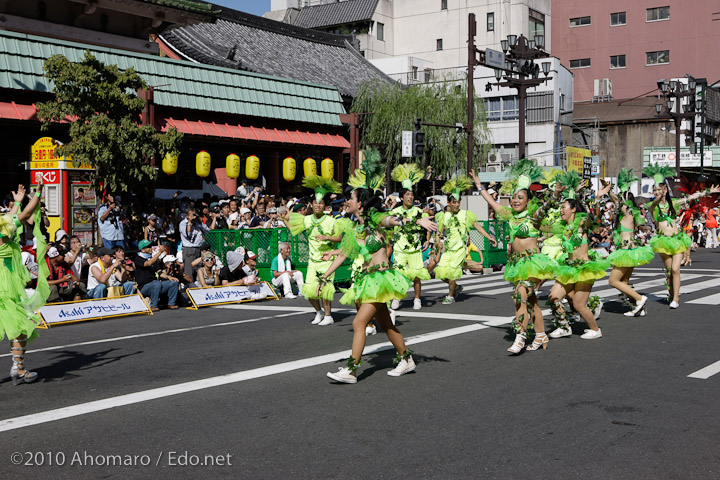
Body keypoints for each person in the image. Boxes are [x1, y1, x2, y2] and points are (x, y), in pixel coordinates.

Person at [320, 150, 438, 383]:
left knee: (358, 323)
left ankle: (351, 370)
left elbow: (392, 219)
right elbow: (343, 254)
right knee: (385, 323)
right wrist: (325, 276)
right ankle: (407, 358)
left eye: (351, 199)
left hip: (381, 279)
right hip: (367, 280)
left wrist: (417, 220)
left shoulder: (375, 220)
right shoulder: (354, 228)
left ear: (361, 204)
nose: (347, 202)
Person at [472, 162, 557, 352]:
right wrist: (479, 186)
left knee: (519, 297)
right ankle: (541, 334)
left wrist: (555, 195)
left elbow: (546, 208)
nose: (515, 201)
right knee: (531, 301)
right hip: (517, 263)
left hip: (533, 263)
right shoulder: (510, 216)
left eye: (520, 198)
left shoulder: (534, 217)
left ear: (528, 201)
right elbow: (492, 202)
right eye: (513, 198)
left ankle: (520, 337)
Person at [644, 164, 719, 308]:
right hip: (662, 241)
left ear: (665, 189)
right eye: (655, 190)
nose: (656, 192)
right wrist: (659, 197)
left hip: (677, 239)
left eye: (659, 189)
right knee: (669, 272)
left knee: (675, 269)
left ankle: (675, 299)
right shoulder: (652, 206)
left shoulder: (674, 204)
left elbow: (691, 197)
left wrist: (708, 191)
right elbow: (654, 204)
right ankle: (671, 293)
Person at [547, 171, 611, 340]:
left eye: (564, 208)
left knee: (578, 304)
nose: (561, 210)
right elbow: (543, 226)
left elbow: (594, 217)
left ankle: (595, 329)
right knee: (553, 297)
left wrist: (598, 197)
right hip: (569, 268)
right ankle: (564, 326)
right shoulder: (562, 227)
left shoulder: (582, 223)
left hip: (583, 269)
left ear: (573, 210)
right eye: (561, 208)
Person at [1, 182, 49, 384]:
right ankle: (18, 368)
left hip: (6, 283)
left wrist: (18, 202)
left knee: (18, 327)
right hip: (5, 286)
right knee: (20, 326)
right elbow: (24, 215)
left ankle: (18, 368)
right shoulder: (2, 229)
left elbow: (12, 218)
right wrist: (37, 193)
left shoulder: (3, 227)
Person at [286, 175, 344, 325]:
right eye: (315, 203)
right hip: (313, 261)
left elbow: (340, 239)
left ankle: (329, 316)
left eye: (321, 203)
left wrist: (327, 237)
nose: (318, 205)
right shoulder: (306, 219)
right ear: (311, 205)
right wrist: (283, 219)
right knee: (310, 290)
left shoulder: (332, 221)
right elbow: (294, 229)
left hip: (328, 260)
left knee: (325, 290)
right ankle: (318, 312)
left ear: (325, 206)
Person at [434, 174, 496, 304]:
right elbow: (439, 232)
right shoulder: (444, 216)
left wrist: (489, 237)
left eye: (458, 202)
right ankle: (456, 287)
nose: (457, 204)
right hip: (448, 249)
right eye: (454, 202)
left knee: (452, 272)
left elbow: (477, 225)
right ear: (449, 203)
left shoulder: (465, 214)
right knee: (439, 273)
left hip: (460, 249)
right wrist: (437, 245)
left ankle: (450, 296)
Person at [606, 169, 655, 317]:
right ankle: (637, 307)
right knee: (624, 282)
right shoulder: (628, 214)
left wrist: (609, 191)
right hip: (631, 251)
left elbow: (617, 201)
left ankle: (640, 298)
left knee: (613, 281)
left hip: (626, 251)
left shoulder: (628, 212)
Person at [389, 163, 431, 310]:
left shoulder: (419, 211)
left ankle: (417, 299)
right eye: (407, 195)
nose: (410, 197)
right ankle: (396, 298)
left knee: (416, 275)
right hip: (400, 248)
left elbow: (427, 226)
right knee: (398, 275)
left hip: (414, 248)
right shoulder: (395, 212)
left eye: (412, 195)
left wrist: (427, 239)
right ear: (401, 197)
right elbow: (388, 227)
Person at [133, 239, 179, 311]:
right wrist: (160, 252)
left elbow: (160, 272)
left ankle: (171, 303)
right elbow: (148, 263)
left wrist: (169, 277)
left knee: (174, 282)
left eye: (150, 246)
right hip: (144, 287)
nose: (150, 248)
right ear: (142, 250)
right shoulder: (138, 258)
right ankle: (153, 305)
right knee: (156, 283)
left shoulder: (153, 258)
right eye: (148, 247)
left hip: (156, 284)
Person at [179, 207, 215, 279]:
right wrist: (189, 222)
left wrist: (200, 222)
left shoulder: (197, 222)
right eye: (192, 214)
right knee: (189, 271)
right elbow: (188, 235)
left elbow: (208, 231)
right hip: (189, 250)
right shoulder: (183, 224)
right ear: (187, 215)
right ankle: (188, 287)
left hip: (198, 249)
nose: (194, 216)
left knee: (198, 271)